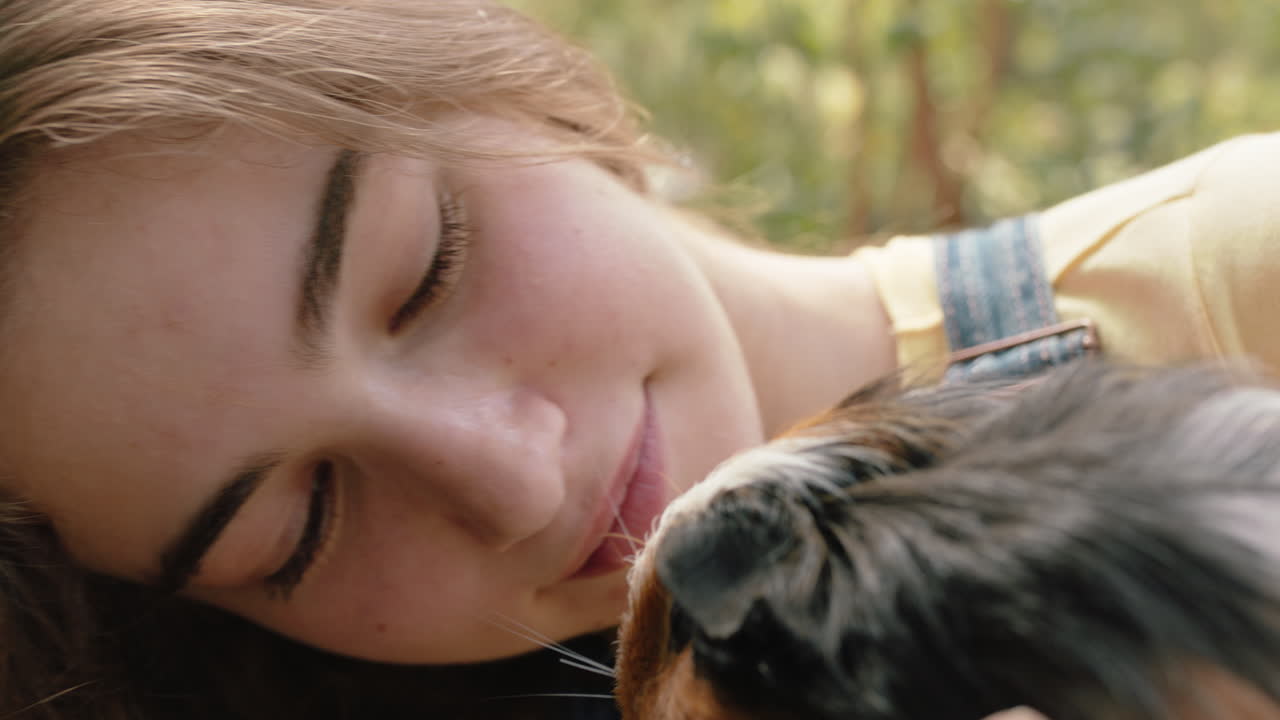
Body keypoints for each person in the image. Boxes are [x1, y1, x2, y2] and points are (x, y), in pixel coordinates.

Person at [0, 0, 1275, 718]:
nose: (509, 476)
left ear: (483, 54)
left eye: (424, 269)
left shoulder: (1241, 283)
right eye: (298, 524)